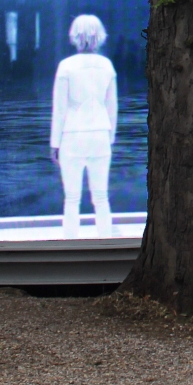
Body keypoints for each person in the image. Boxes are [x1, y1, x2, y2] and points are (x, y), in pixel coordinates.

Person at [50, 14, 118, 237]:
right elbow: (112, 107)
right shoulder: (107, 66)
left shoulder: (66, 66)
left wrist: (55, 143)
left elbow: (60, 109)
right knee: (101, 197)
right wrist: (110, 138)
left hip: (72, 136)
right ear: (100, 36)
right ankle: (106, 242)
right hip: (100, 135)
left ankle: (70, 244)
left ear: (75, 36)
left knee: (71, 199)